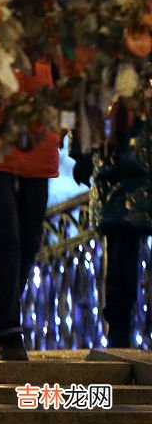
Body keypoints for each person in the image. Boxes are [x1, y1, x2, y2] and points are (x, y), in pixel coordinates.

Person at [0, 59, 59, 361]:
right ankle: (8, 330)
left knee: (29, 239)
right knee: (5, 234)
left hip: (37, 147)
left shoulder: (47, 33)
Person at [72, 101, 152, 348]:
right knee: (122, 258)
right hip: (125, 189)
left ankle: (120, 331)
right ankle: (121, 330)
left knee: (120, 260)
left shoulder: (101, 91)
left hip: (114, 188)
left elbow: (82, 159)